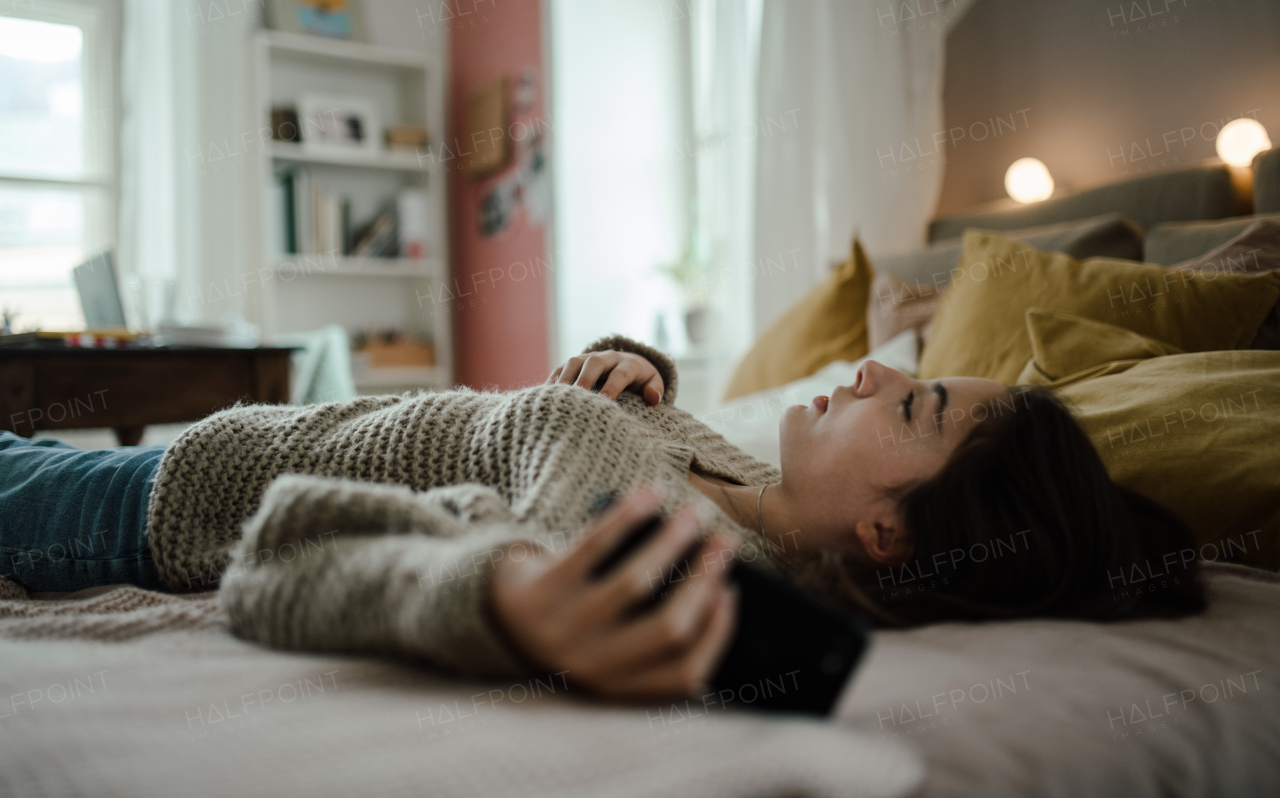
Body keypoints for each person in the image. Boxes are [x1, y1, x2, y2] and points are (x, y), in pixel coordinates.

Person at [0, 334, 1204, 703]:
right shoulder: (751, 488)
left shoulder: (648, 536)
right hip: (203, 451)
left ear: (888, 535)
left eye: (917, 406)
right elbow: (643, 440)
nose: (880, 369)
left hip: (146, 506)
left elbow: (288, 559)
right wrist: (636, 366)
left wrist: (505, 598)